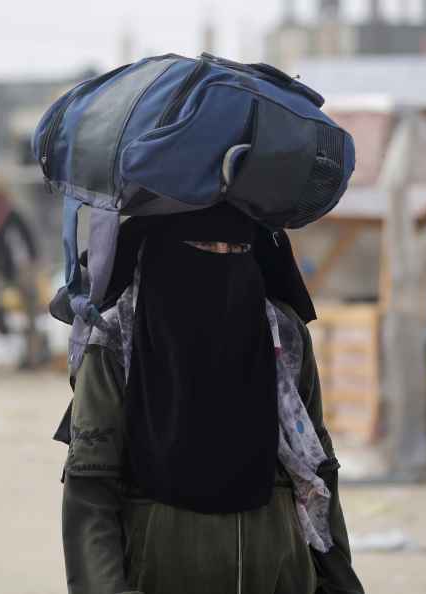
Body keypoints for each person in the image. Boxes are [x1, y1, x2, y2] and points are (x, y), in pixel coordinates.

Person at [56, 204, 364, 594]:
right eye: (203, 245)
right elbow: (90, 490)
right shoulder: (116, 342)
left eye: (235, 250)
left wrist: (338, 585)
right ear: (161, 252)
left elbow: (317, 467)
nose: (222, 261)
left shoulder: (283, 339)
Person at [0, 172, 42, 367]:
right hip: (1, 271)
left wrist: (32, 265)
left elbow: (27, 244)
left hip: (19, 270)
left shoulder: (10, 216)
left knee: (31, 314)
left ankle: (32, 357)